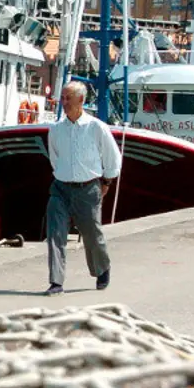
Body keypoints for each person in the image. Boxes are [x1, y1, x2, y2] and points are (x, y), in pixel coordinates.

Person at [45, 80, 122, 296]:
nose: (64, 102)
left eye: (68, 98)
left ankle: (102, 268)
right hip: (60, 188)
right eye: (63, 98)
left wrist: (106, 182)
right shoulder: (56, 130)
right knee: (55, 234)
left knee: (91, 233)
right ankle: (56, 281)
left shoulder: (97, 127)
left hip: (88, 188)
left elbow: (112, 158)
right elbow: (55, 159)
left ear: (81, 100)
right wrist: (64, 175)